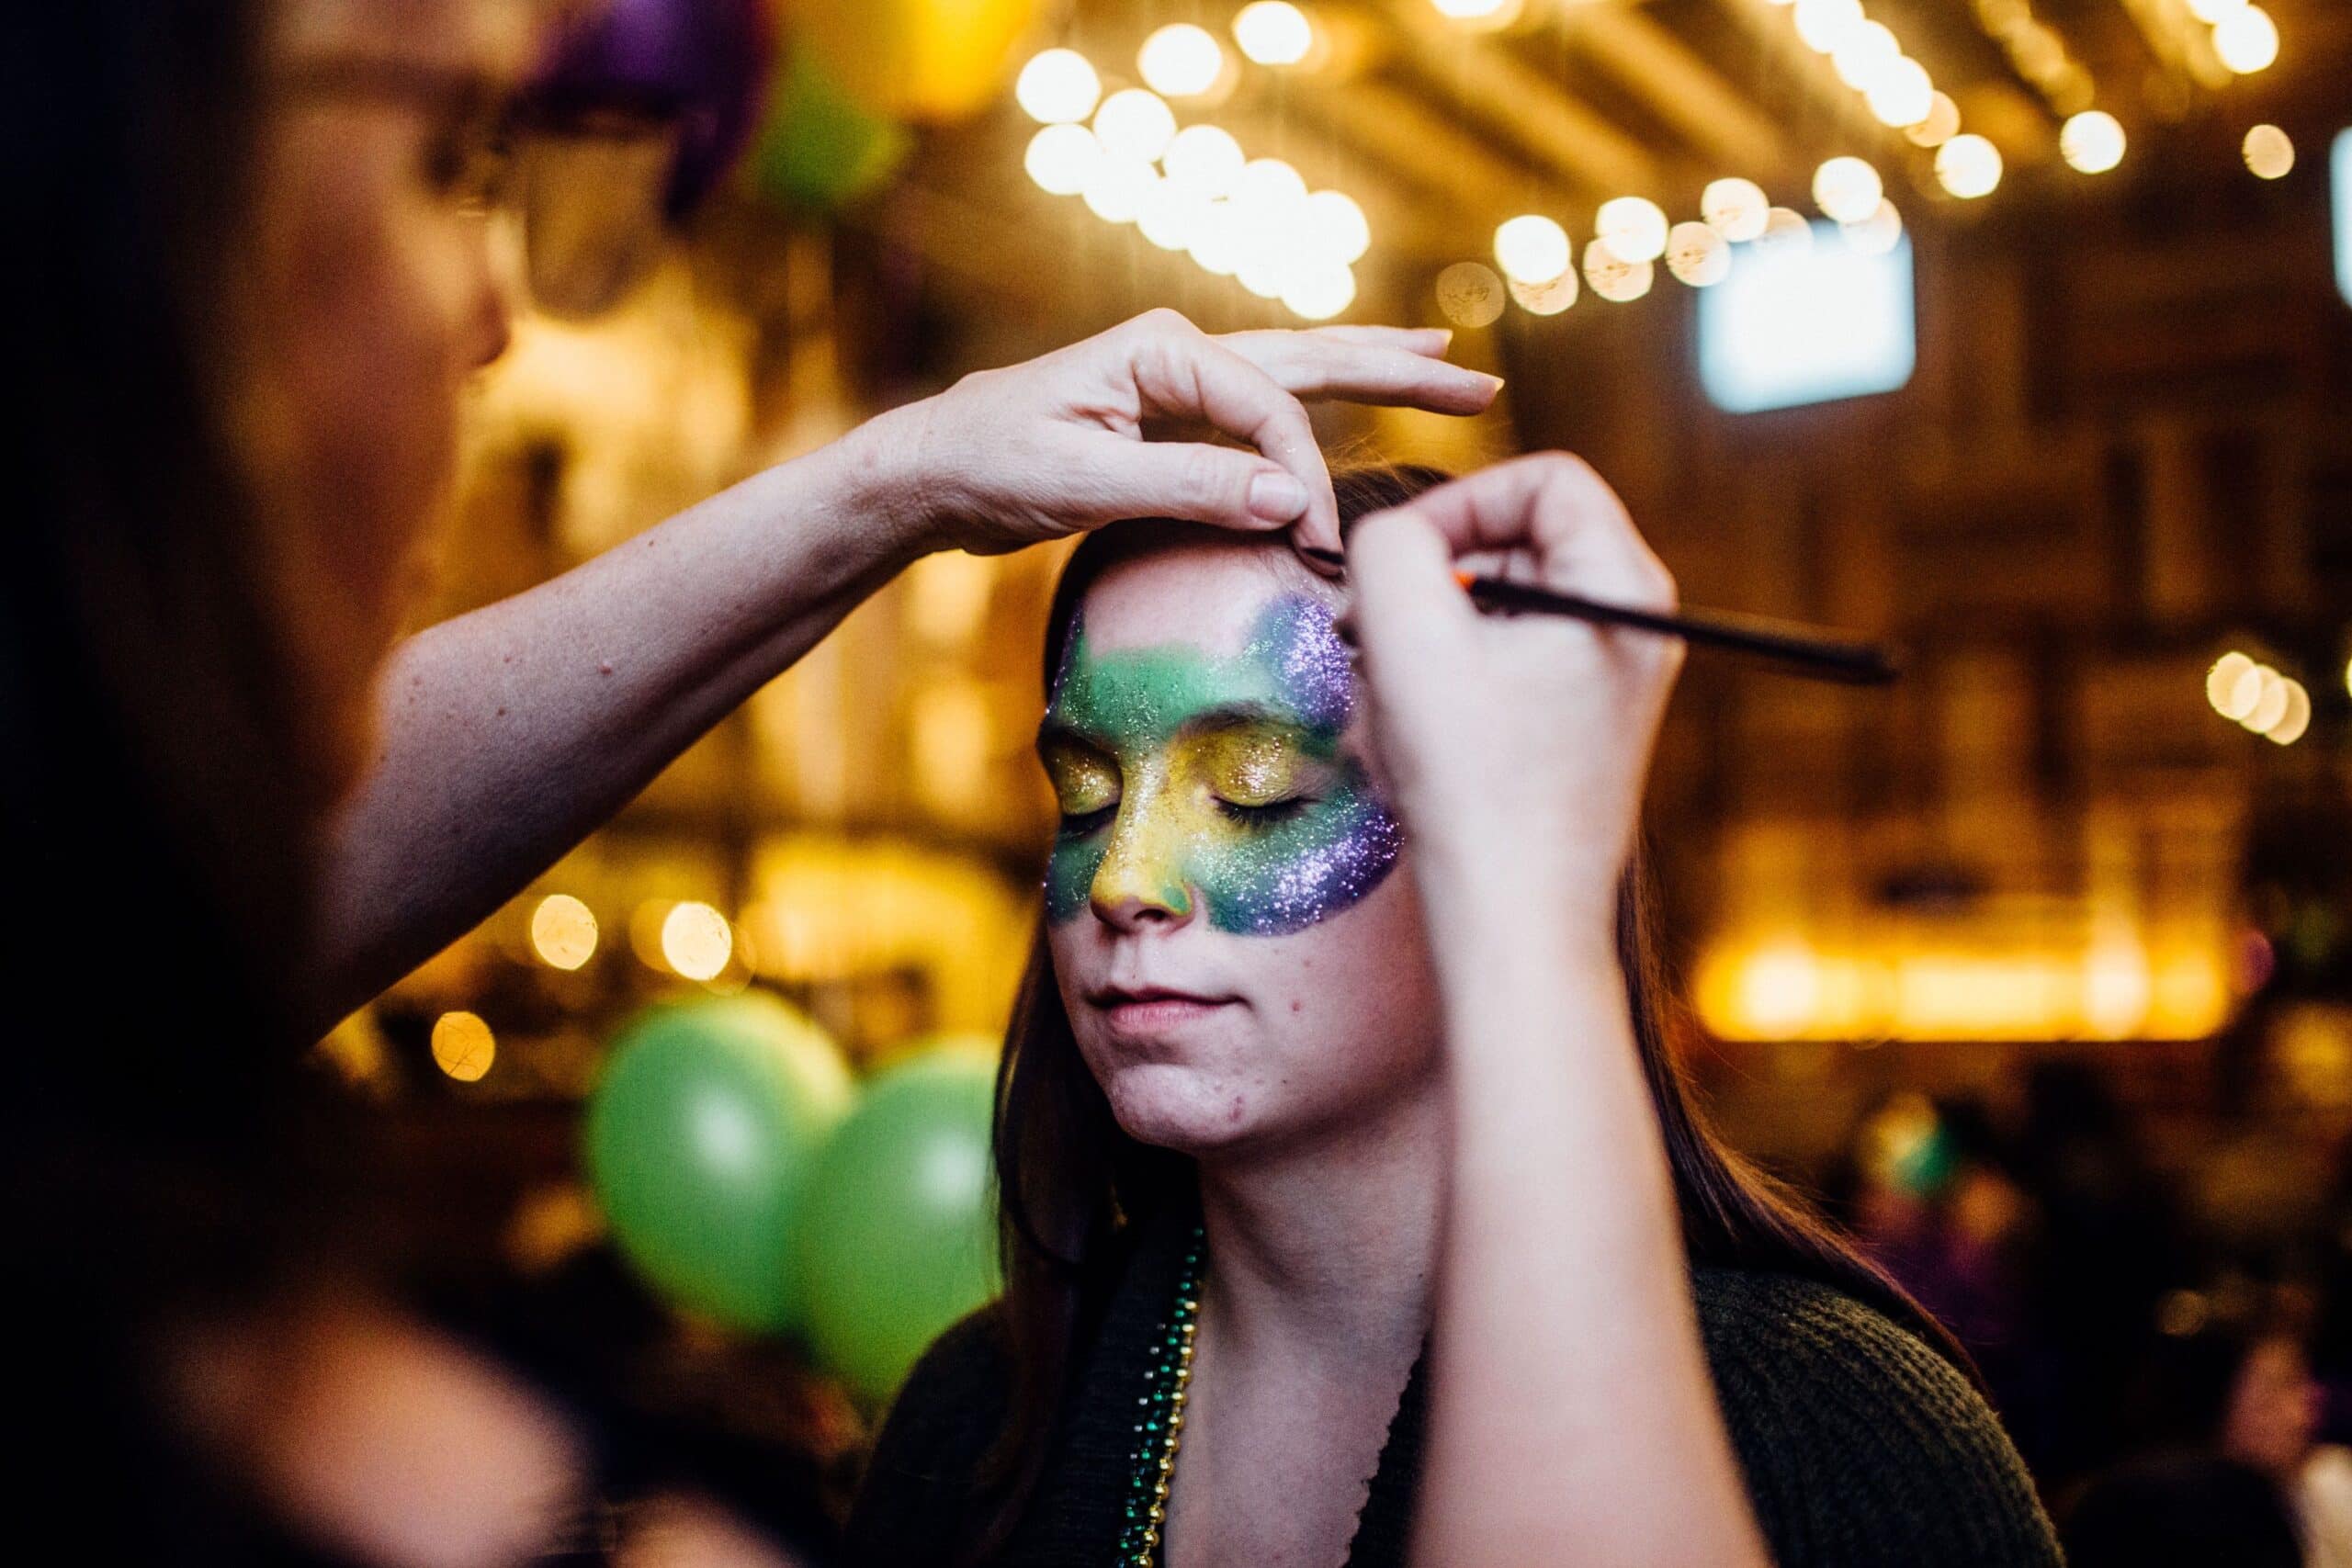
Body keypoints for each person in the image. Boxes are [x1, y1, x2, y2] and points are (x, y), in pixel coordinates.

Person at [6, 0, 1494, 1558]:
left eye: (1255, 785)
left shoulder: (1764, 1402)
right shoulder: (973, 1435)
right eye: (445, 159)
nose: (500, 317)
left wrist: (899, 482)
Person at [846, 464, 2063, 1567]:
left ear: (1490, 824)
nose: (1121, 881)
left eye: (1256, 791)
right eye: (1086, 794)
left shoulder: (1842, 1439)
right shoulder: (970, 1421)